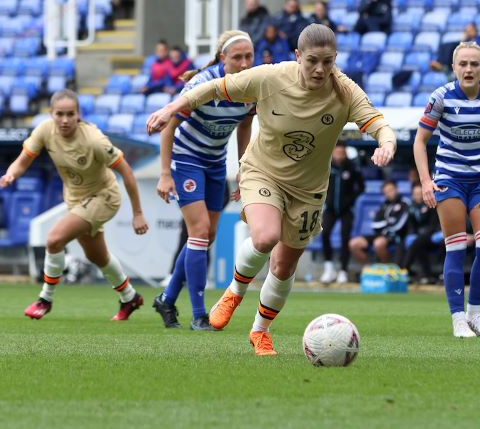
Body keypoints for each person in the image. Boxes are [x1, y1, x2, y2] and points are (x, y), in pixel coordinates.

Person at [146, 24, 396, 355]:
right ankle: (235, 292)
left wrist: (386, 144)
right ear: (297, 56)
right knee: (264, 237)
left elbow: (379, 123)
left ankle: (260, 330)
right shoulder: (270, 77)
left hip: (308, 190)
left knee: (283, 266)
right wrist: (169, 109)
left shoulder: (345, 91)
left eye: (327, 61)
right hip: (263, 172)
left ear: (335, 59)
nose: (319, 69)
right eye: (311, 61)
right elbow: (213, 88)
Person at [0, 89, 149, 320]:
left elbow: (127, 173)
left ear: (78, 114)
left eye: (70, 114)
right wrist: (11, 175)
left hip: (104, 197)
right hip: (75, 198)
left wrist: (138, 213)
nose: (65, 120)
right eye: (59, 114)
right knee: (97, 256)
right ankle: (130, 297)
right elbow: (22, 162)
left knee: (54, 239)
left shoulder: (94, 140)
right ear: (51, 114)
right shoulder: (44, 131)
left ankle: (45, 299)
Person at [412, 41, 480, 338]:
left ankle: (475, 314)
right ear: (454, 68)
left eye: (475, 64)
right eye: (463, 64)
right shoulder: (441, 98)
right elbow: (420, 141)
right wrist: (426, 181)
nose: (469, 69)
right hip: (449, 179)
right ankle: (458, 318)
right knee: (457, 247)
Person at [151, 30, 255, 330]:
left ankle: (167, 299)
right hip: (187, 159)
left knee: (205, 238)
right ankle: (199, 315)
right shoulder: (203, 84)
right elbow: (169, 127)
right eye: (237, 57)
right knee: (198, 232)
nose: (245, 63)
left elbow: (245, 127)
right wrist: (164, 174)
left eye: (249, 56)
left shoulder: (251, 88)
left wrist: (242, 169)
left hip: (215, 163)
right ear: (223, 59)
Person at [319, 142, 364, 284]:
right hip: (330, 208)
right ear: (333, 152)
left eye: (342, 153)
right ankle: (328, 267)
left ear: (345, 153)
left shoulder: (352, 167)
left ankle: (343, 270)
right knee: (325, 233)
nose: (339, 155)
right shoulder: (326, 165)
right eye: (337, 152)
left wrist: (350, 200)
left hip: (346, 210)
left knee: (345, 237)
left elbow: (361, 187)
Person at [348, 180, 409, 268]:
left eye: (390, 190)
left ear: (396, 189)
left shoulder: (404, 203)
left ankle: (385, 269)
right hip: (379, 235)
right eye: (386, 192)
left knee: (378, 243)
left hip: (395, 236)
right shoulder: (384, 204)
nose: (389, 193)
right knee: (354, 244)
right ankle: (368, 269)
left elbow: (398, 225)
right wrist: (389, 221)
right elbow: (375, 225)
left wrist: (386, 225)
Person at [400, 182, 443, 284]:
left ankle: (404, 269)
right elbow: (411, 226)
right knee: (416, 245)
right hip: (420, 239)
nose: (418, 196)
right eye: (415, 194)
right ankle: (427, 275)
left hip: (432, 235)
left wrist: (420, 236)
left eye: (420, 193)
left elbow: (433, 225)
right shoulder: (412, 208)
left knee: (417, 242)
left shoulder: (431, 204)